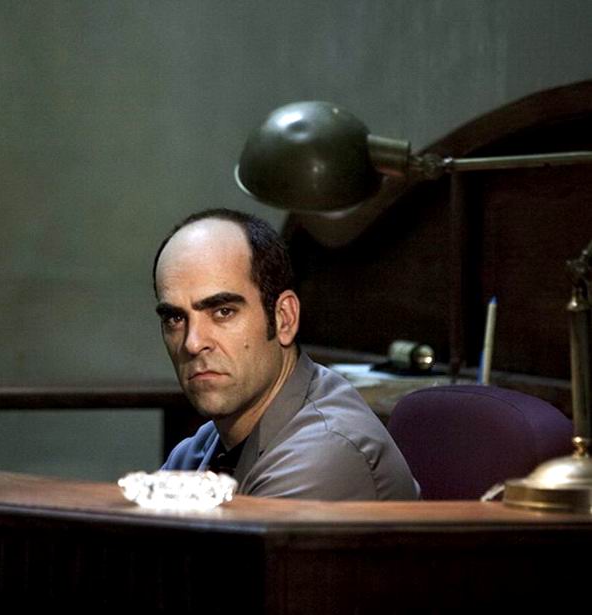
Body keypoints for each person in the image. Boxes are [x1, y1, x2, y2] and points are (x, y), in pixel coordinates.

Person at [153, 208, 419, 500]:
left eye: (223, 311)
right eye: (175, 319)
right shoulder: (201, 449)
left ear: (284, 318)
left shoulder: (326, 455)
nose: (192, 343)